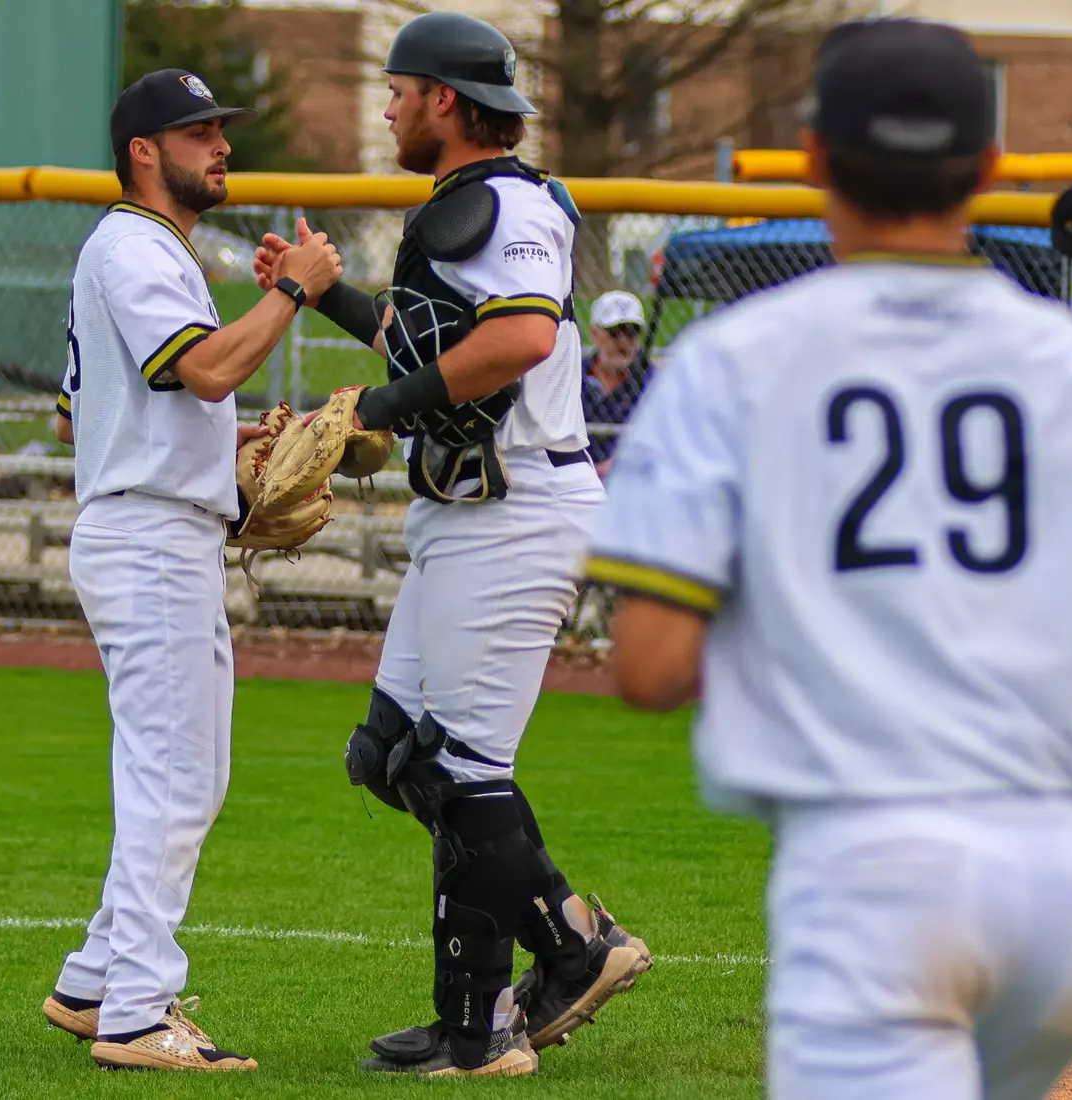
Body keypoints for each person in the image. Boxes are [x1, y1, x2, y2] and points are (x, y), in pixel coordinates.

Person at [588, 19, 1072, 1100]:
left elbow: (653, 663)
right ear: (989, 169)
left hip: (870, 869)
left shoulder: (732, 360)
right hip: (1064, 872)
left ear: (813, 159)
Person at [254, 10, 651, 1079]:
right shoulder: (466, 203)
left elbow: (518, 338)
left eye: (397, 91)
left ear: (445, 99)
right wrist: (324, 292)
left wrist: (376, 410)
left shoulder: (510, 202)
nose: (386, 108)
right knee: (391, 753)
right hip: (470, 512)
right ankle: (567, 949)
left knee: (464, 768)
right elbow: (433, 343)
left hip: (517, 512)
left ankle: (481, 1029)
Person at [40, 68, 341, 1072]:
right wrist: (292, 289)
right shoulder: (133, 245)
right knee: (173, 778)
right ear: (143, 151)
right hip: (149, 537)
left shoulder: (148, 248)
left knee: (191, 777)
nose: (221, 146)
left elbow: (98, 411)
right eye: (198, 132)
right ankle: (136, 1013)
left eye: (219, 129)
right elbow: (204, 368)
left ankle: (95, 981)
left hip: (161, 529)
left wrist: (222, 439)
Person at [581, 289, 653, 474]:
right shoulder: (574, 376)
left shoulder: (651, 382)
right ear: (594, 333)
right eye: (614, 332)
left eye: (632, 332)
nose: (624, 342)